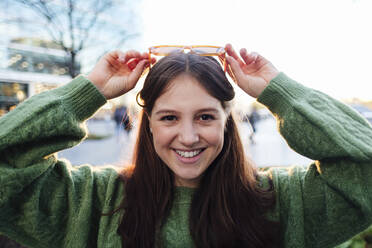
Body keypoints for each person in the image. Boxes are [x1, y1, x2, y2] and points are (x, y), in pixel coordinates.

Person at [0, 44, 372, 248]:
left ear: (228, 120)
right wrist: (87, 91)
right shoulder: (90, 202)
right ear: (148, 125)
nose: (189, 136)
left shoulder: (287, 202)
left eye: (206, 117)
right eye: (169, 118)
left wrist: (282, 92)